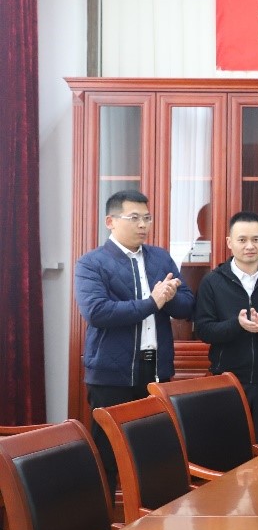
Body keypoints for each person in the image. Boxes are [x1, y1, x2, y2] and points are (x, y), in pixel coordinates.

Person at [74, 189, 195, 494]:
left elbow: (186, 306)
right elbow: (98, 312)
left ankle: (150, 515)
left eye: (147, 218)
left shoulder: (160, 257)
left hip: (155, 371)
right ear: (110, 221)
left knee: (154, 454)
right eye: (134, 218)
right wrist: (152, 302)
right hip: (111, 374)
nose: (143, 225)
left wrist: (168, 297)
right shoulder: (91, 263)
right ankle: (105, 518)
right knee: (108, 453)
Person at [193, 210, 258, 446]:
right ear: (229, 242)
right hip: (227, 381)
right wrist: (237, 324)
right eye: (242, 240)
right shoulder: (213, 281)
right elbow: (203, 329)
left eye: (256, 239)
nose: (250, 246)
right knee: (229, 449)